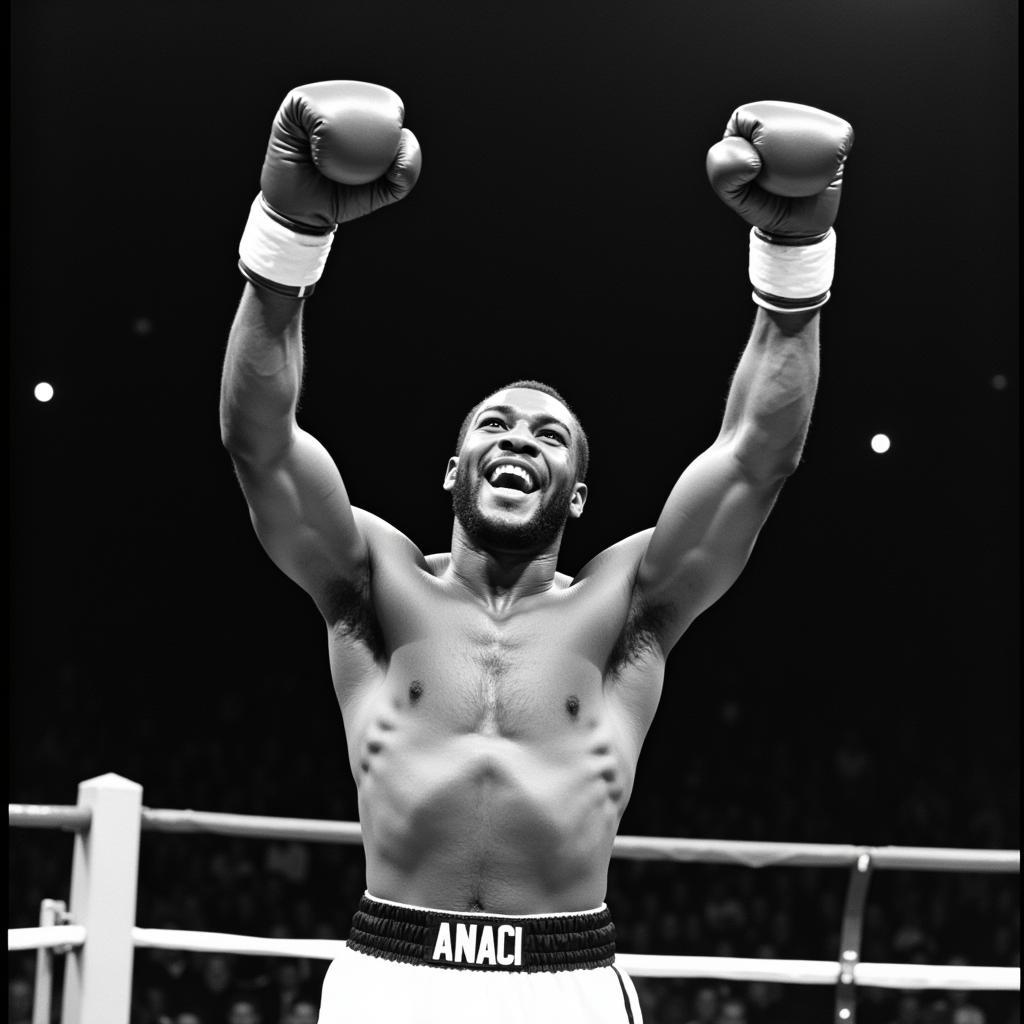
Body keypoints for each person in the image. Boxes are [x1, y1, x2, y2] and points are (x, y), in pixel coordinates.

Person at [220, 80, 853, 1023]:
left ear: (580, 494)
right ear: (452, 469)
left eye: (551, 436)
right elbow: (260, 445)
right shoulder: (370, 582)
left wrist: (794, 260)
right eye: (496, 424)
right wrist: (286, 239)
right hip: (389, 973)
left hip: (564, 984)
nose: (520, 440)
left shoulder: (628, 607)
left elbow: (758, 457)